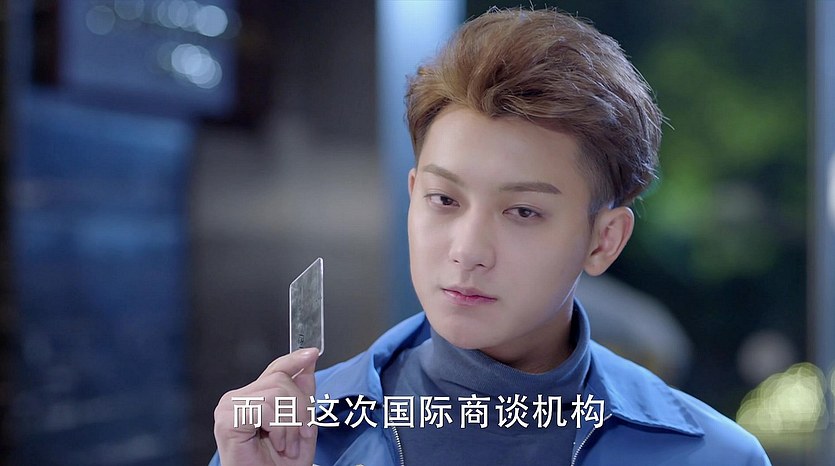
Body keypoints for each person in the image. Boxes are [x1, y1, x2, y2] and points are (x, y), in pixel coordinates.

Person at [211, 7, 771, 466]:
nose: (467, 251)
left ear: (603, 241)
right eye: (444, 200)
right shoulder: (288, 435)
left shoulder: (714, 456)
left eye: (523, 211)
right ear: (413, 195)